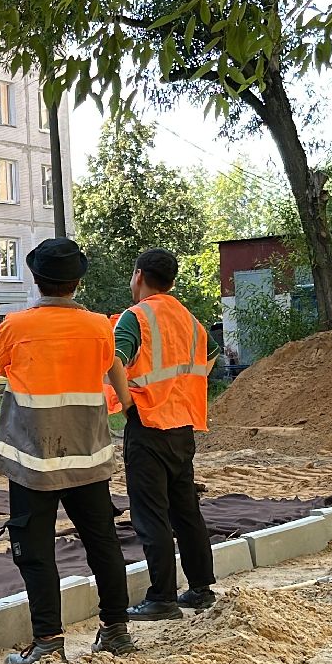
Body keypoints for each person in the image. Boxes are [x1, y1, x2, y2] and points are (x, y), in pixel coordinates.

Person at [0, 237, 138, 664]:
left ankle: (49, 639)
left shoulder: (16, 326)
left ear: (36, 279)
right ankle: (115, 631)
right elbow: (112, 367)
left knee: (35, 550)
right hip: (87, 455)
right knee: (102, 544)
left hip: (33, 459)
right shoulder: (99, 327)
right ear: (77, 282)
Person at [116, 249, 218, 620]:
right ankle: (201, 588)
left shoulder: (136, 318)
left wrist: (128, 404)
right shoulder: (190, 320)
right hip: (182, 426)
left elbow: (114, 359)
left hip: (147, 426)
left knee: (151, 515)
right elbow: (210, 355)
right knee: (186, 510)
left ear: (139, 275)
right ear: (171, 281)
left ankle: (162, 597)